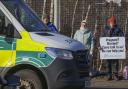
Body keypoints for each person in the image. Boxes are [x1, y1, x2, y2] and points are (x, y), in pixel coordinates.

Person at [102, 16, 124, 80]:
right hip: (107, 49)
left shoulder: (118, 29)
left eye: (113, 22)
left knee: (115, 63)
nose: (112, 23)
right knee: (108, 63)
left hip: (115, 49)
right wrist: (99, 45)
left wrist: (123, 46)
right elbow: (102, 37)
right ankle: (109, 76)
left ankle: (116, 75)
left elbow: (122, 38)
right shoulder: (105, 29)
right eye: (111, 22)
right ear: (109, 22)